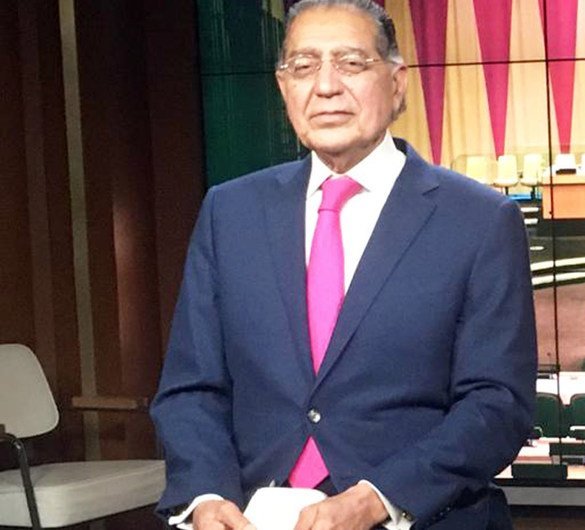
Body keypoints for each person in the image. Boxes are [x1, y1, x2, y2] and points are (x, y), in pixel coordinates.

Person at [149, 0, 537, 528]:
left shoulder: (480, 219)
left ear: (396, 84)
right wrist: (206, 496)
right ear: (284, 87)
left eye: (351, 63)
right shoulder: (230, 212)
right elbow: (191, 388)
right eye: (303, 66)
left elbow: (497, 403)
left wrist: (377, 499)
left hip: (418, 516)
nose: (326, 86)